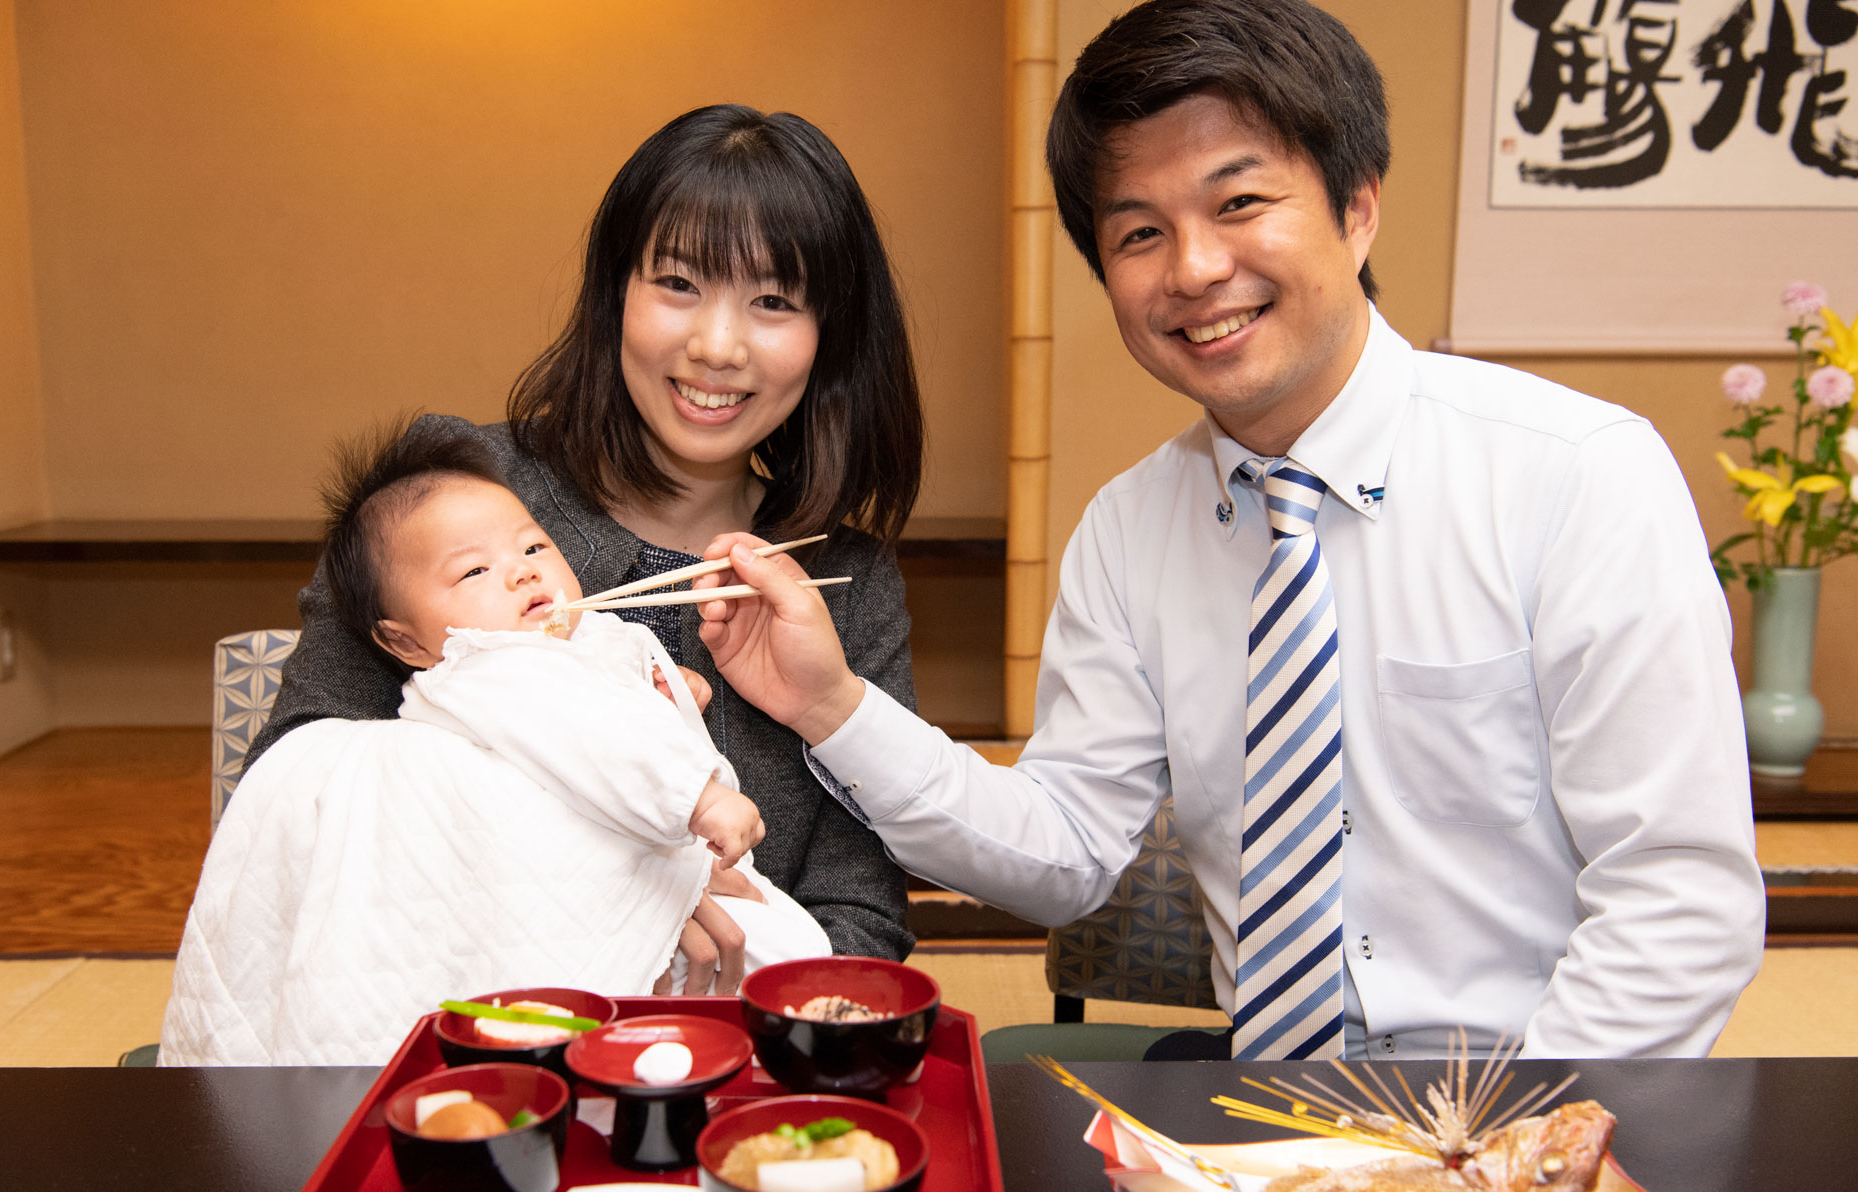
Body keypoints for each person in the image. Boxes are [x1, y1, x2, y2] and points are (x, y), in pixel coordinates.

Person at [693, 0, 1765, 1060]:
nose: (1195, 269)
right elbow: (1066, 851)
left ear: (1357, 205)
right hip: (1264, 1115)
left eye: (1240, 200)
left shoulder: (1575, 474)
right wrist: (830, 703)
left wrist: (1481, 1161)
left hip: (1529, 1102)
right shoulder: (1128, 531)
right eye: (1141, 232)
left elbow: (1679, 900)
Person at [245, 104, 925, 980]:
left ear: (829, 338)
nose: (717, 347)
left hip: (728, 1043)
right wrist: (610, 889)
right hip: (457, 1027)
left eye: (773, 301)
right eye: (677, 284)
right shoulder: (460, 503)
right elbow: (294, 791)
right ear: (615, 292)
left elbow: (861, 915)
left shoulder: (843, 580)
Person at [161, 429, 831, 1066]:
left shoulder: (579, 640)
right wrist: (700, 795)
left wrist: (670, 699)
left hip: (675, 873)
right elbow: (587, 736)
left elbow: (606, 728)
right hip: (599, 885)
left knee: (795, 956)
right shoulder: (489, 665)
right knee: (791, 967)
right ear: (404, 643)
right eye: (475, 570)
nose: (519, 573)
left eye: (534, 548)